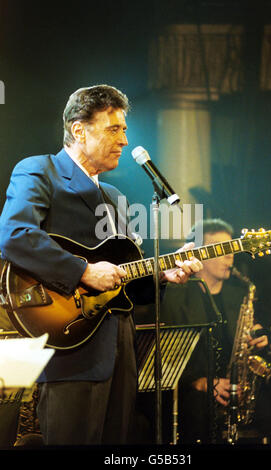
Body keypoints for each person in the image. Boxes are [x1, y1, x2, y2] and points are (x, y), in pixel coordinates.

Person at [0, 84, 202, 446]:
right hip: (69, 348)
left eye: (124, 130)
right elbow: (14, 235)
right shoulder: (40, 171)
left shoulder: (115, 197)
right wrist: (82, 271)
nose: (124, 140)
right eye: (114, 129)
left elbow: (128, 280)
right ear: (79, 130)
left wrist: (163, 275)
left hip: (120, 350)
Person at [160, 218, 271, 444]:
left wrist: (260, 337)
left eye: (230, 248)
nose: (229, 255)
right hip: (193, 400)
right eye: (220, 249)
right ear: (199, 255)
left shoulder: (239, 293)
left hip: (238, 394)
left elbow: (250, 335)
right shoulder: (174, 296)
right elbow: (163, 358)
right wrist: (200, 382)